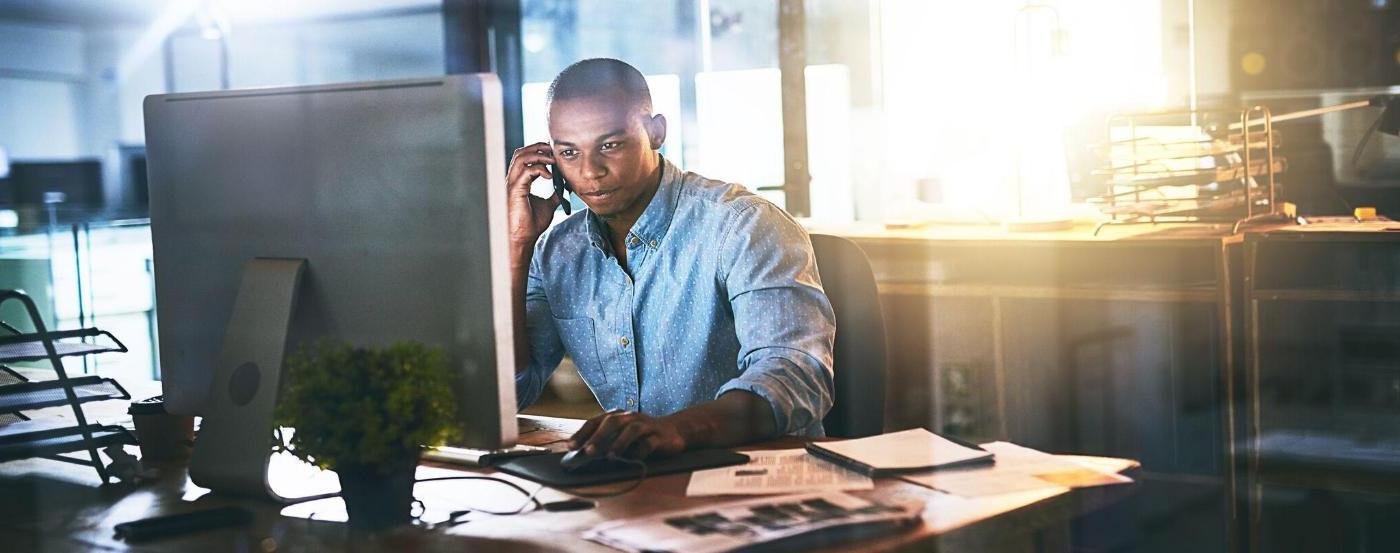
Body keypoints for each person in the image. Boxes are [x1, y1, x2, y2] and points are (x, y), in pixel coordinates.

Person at [507, 58, 835, 461]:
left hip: (759, 475)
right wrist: (516, 246)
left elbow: (796, 378)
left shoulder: (743, 226)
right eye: (569, 152)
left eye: (610, 145)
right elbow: (512, 394)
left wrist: (672, 430)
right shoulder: (556, 251)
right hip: (639, 482)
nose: (590, 172)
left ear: (656, 131)